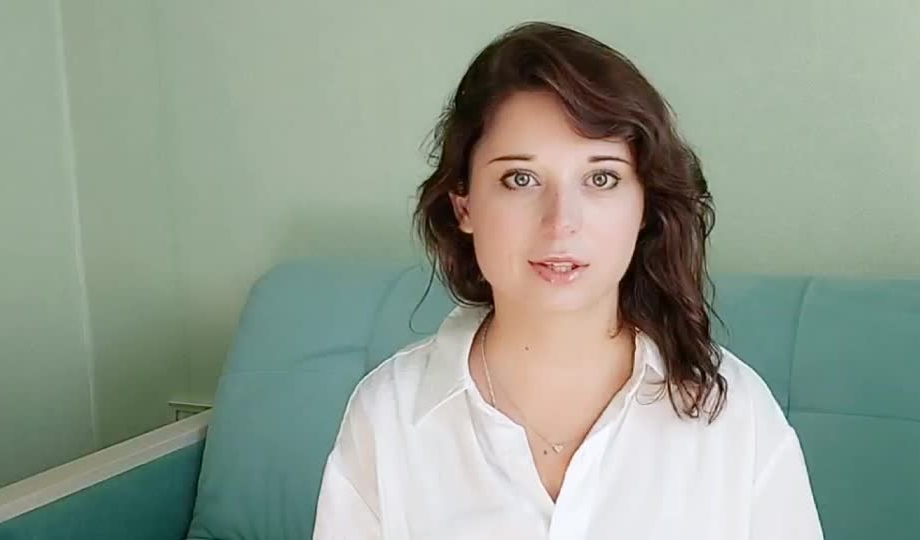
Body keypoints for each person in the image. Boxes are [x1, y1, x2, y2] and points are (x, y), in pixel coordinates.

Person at [312, 21, 823, 539]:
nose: (561, 222)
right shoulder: (388, 416)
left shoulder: (734, 415)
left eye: (601, 178)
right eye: (521, 179)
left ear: (644, 205)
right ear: (463, 205)